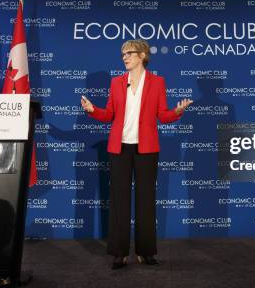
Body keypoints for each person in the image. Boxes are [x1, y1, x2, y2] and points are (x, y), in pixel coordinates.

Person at [80, 39, 192, 270]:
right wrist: (93, 111)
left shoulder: (157, 82)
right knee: (119, 202)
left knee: (146, 201)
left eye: (129, 53)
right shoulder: (116, 82)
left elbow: (163, 115)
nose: (124, 57)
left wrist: (178, 111)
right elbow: (109, 114)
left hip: (146, 148)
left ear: (142, 55)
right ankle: (119, 253)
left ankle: (146, 251)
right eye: (122, 54)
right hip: (119, 148)